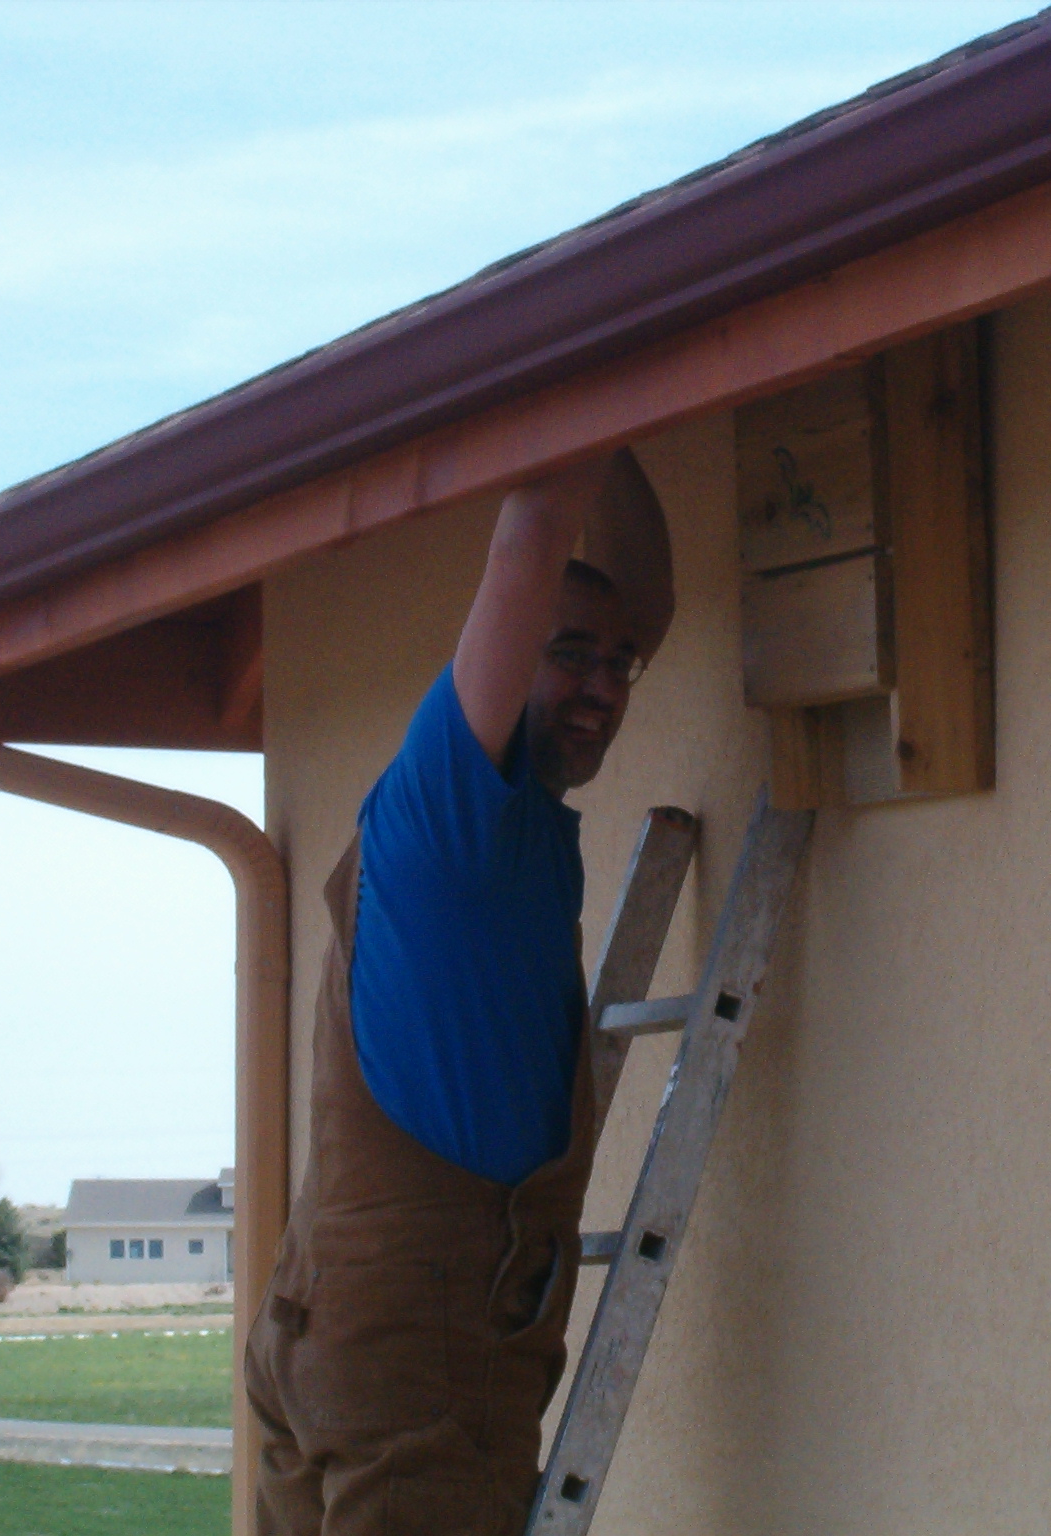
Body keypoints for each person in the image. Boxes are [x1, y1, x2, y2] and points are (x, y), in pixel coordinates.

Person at [245, 448, 675, 1536]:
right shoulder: (451, 795)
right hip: (418, 1361)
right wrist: (589, 378)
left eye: (620, 666)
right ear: (505, 655)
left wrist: (625, 434)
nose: (603, 686)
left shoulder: (497, 815)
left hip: (331, 1328)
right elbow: (531, 533)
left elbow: (643, 604)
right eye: (567, 654)